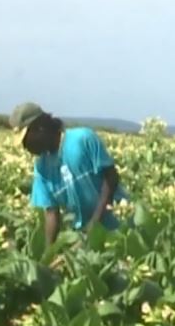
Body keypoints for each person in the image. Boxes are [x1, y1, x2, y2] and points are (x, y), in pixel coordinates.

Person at [12, 102, 127, 247]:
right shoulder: (41, 168)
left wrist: (94, 224)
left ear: (40, 127)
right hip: (84, 234)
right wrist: (49, 254)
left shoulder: (83, 139)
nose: (25, 147)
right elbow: (51, 212)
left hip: (118, 225)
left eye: (26, 139)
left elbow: (111, 177)